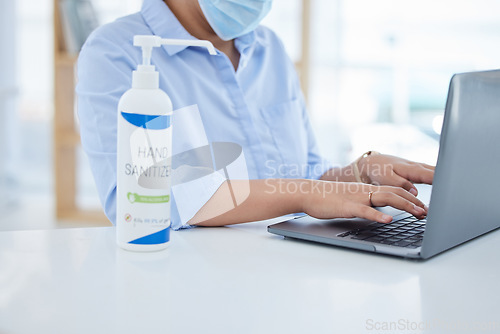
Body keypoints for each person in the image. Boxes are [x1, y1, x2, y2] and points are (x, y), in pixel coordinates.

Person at [77, 0, 434, 231]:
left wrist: (358, 173)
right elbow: (139, 199)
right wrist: (304, 193)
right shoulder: (117, 51)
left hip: (294, 270)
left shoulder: (269, 47)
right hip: (191, 282)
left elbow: (305, 175)